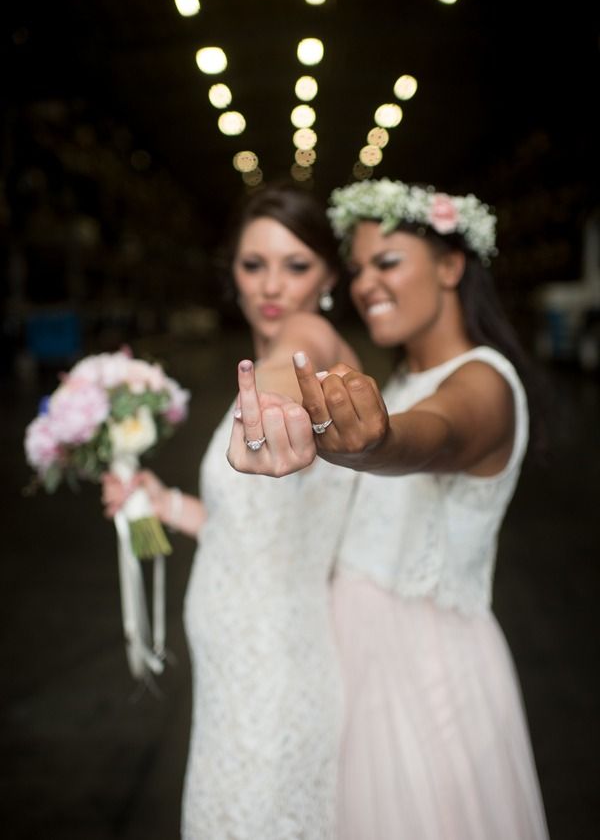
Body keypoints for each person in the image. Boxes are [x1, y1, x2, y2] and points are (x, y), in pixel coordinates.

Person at [228, 178, 550, 839]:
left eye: (389, 262)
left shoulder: (486, 381)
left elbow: (437, 433)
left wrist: (374, 441)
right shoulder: (400, 377)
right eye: (358, 268)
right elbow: (299, 359)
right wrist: (267, 393)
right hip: (349, 655)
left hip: (422, 673)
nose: (367, 282)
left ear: (451, 264)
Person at [102, 181, 361, 840]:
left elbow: (287, 366)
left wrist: (271, 406)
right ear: (234, 274)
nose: (273, 285)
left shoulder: (309, 339)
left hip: (273, 678)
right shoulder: (266, 355)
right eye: (254, 264)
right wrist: (160, 506)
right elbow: (242, 530)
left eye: (296, 265)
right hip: (228, 678)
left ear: (328, 276)